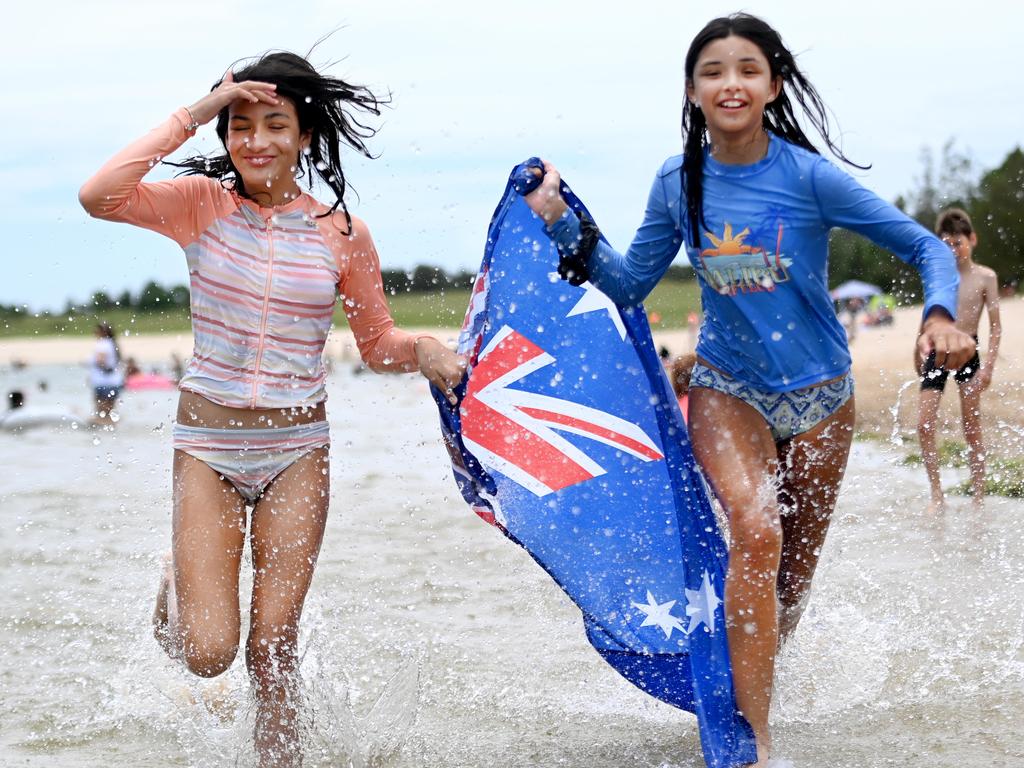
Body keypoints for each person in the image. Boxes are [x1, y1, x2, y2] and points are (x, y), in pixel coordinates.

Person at [522, 14, 975, 765]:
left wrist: (939, 315)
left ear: (773, 84)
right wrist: (562, 221)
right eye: (713, 71)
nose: (730, 83)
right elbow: (631, 282)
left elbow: (925, 245)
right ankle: (750, 743)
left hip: (822, 396)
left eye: (746, 69)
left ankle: (756, 677)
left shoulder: (806, 177)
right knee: (756, 532)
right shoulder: (678, 180)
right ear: (693, 90)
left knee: (789, 582)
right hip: (727, 387)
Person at [79, 51, 464, 767]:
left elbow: (377, 342)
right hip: (208, 447)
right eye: (240, 126)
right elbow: (98, 194)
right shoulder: (199, 205)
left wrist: (427, 347)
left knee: (272, 644)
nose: (255, 141)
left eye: (274, 125)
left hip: (297, 450)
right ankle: (175, 591)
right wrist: (195, 110)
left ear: (305, 136)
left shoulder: (342, 233)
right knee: (208, 654)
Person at [916, 208, 1001, 512]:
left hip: (968, 350)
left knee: (971, 425)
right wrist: (918, 347)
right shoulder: (939, 277)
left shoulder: (985, 277)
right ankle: (937, 494)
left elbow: (995, 327)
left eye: (957, 243)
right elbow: (930, 315)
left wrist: (988, 367)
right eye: (946, 244)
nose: (952, 250)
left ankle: (979, 495)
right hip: (937, 350)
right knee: (924, 424)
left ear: (972, 240)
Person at [89, 322, 125, 427]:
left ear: (102, 332)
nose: (94, 333)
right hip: (114, 381)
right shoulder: (112, 343)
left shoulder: (103, 343)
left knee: (101, 412)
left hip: (103, 382)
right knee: (110, 412)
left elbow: (101, 360)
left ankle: (102, 436)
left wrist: (88, 363)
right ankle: (112, 436)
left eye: (96, 331)